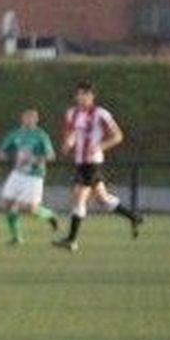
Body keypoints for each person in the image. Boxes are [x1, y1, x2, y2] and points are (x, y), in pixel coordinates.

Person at [53, 80, 144, 252]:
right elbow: (72, 133)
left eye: (84, 94)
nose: (80, 97)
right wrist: (68, 143)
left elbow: (118, 136)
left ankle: (71, 240)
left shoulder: (101, 114)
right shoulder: (72, 113)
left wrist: (99, 146)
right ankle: (133, 217)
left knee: (79, 196)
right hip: (80, 162)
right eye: (78, 94)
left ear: (91, 96)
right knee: (102, 199)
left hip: (92, 162)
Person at [0, 108, 60, 245]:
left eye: (32, 118)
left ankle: (50, 215)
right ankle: (17, 237)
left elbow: (51, 156)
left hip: (35, 175)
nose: (29, 120)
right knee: (8, 202)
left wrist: (34, 160)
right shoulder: (15, 134)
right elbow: (2, 151)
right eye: (26, 117)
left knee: (30, 208)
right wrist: (5, 155)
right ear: (22, 119)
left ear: (36, 120)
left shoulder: (41, 135)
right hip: (18, 173)